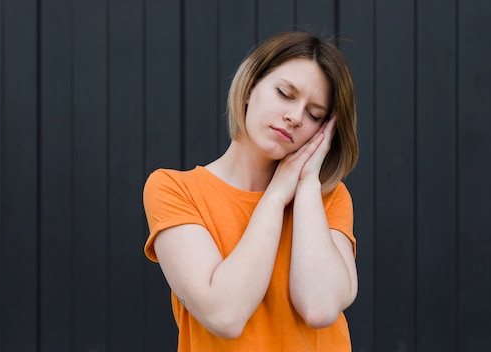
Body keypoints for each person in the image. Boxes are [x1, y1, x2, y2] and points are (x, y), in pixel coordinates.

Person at [143, 31, 360, 351]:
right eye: (285, 93)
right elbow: (225, 314)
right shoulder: (175, 190)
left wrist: (305, 185)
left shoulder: (328, 197)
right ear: (249, 87)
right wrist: (275, 197)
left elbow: (319, 307)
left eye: (314, 115)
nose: (295, 117)